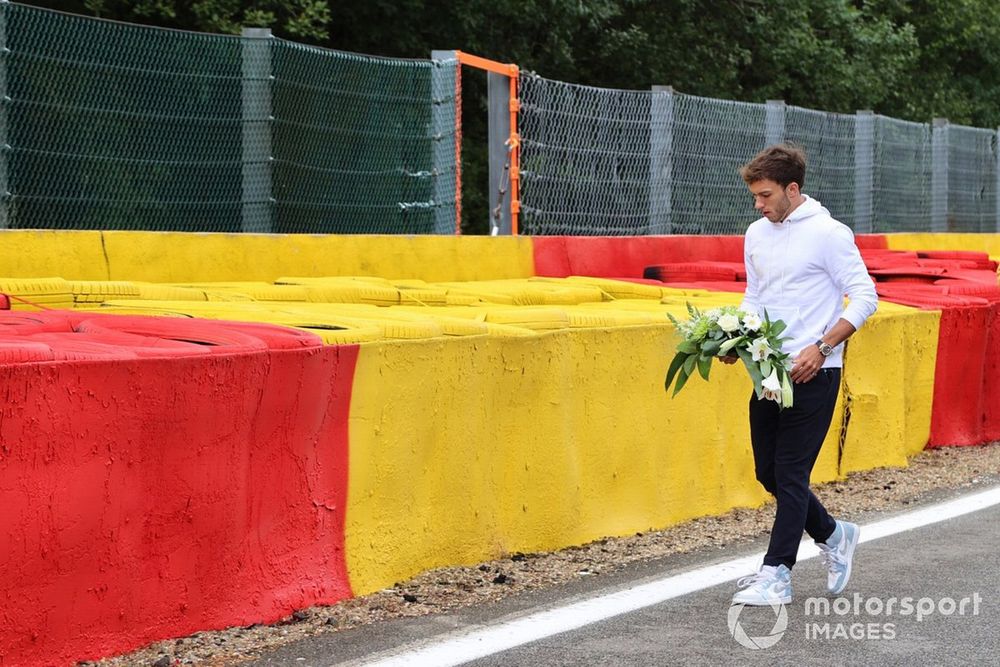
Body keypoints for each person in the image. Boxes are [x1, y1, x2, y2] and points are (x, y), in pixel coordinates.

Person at [725, 143, 878, 606]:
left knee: (791, 472)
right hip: (767, 372)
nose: (759, 204)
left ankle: (777, 574)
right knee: (768, 472)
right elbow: (755, 296)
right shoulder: (756, 233)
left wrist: (824, 346)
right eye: (755, 196)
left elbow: (865, 297)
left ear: (793, 189)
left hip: (816, 371)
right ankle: (834, 535)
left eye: (766, 195)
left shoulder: (830, 234)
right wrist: (735, 339)